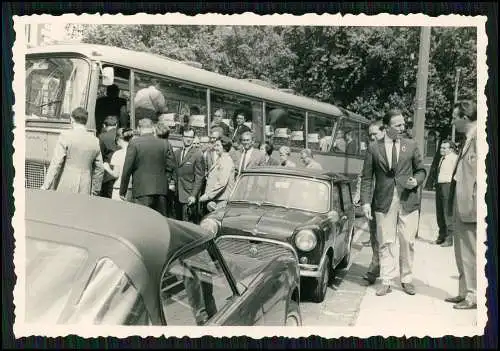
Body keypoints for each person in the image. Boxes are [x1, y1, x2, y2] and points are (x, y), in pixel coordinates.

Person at [360, 109, 426, 296]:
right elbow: (366, 178)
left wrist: (417, 180)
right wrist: (365, 202)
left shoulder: (411, 145)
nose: (403, 128)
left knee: (407, 240)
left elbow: (421, 170)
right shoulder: (374, 148)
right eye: (398, 125)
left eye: (404, 124)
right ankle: (386, 280)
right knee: (385, 241)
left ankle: (406, 279)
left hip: (407, 199)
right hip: (383, 200)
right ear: (387, 127)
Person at [445, 100, 477, 310]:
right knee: (461, 250)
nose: (452, 121)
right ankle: (464, 291)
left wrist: (474, 202)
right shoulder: (469, 138)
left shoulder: (479, 139)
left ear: (465, 118)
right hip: (461, 201)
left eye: (455, 117)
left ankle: (473, 296)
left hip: (470, 205)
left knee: (470, 251)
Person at [119, 118, 176, 216]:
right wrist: (165, 181)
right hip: (161, 191)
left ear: (138, 128)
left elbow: (127, 168)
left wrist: (122, 191)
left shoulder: (134, 143)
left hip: (142, 190)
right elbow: (172, 166)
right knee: (160, 222)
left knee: (143, 221)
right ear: (153, 128)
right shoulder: (165, 143)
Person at [41, 107, 104, 195]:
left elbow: (56, 163)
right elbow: (100, 168)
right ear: (85, 121)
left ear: (72, 119)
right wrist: (95, 190)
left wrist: (45, 185)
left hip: (66, 183)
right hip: (85, 186)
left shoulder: (65, 136)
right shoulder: (95, 140)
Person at [361, 120, 386, 285]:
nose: (372, 138)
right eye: (369, 135)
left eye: (375, 134)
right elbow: (366, 177)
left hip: (388, 201)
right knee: (374, 236)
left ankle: (381, 270)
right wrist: (365, 201)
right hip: (374, 201)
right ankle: (376, 267)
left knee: (386, 238)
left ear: (384, 131)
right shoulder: (371, 150)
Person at [174, 127, 205, 223]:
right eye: (186, 136)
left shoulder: (197, 154)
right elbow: (174, 171)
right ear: (182, 137)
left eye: (190, 137)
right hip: (176, 194)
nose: (188, 139)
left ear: (193, 138)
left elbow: (199, 176)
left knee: (187, 223)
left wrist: (193, 195)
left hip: (188, 194)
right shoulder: (177, 153)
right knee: (177, 222)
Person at [199, 136, 236, 212]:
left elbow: (222, 183)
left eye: (218, 145)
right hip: (217, 199)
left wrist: (207, 196)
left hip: (221, 201)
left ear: (225, 147)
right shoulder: (220, 159)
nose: (215, 148)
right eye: (215, 145)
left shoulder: (226, 160)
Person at [434, 139, 459, 247]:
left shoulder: (454, 158)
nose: (441, 149)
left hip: (448, 186)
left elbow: (458, 172)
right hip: (440, 186)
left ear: (451, 149)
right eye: (441, 147)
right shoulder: (442, 158)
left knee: (447, 211)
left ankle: (449, 238)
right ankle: (442, 235)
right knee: (439, 211)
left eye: (444, 148)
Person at [103, 128, 134, 201]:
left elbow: (116, 174)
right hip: (131, 189)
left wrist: (107, 167)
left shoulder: (117, 154)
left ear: (118, 139)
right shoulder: (134, 152)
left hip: (119, 188)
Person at [155, 121, 177, 219]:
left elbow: (170, 165)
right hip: (164, 183)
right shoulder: (167, 144)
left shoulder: (162, 144)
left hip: (161, 183)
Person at [98, 115, 120, 198]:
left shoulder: (102, 136)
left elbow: (100, 155)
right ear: (116, 125)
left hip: (109, 174)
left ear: (104, 125)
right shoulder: (122, 134)